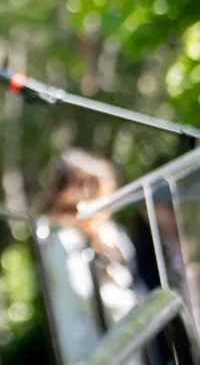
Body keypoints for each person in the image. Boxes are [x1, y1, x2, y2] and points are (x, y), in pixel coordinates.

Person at [37, 149, 141, 364]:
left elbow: (131, 272)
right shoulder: (57, 235)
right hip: (88, 348)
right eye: (78, 184)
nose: (86, 193)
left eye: (93, 185)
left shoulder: (110, 231)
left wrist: (107, 251)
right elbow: (80, 291)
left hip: (124, 342)